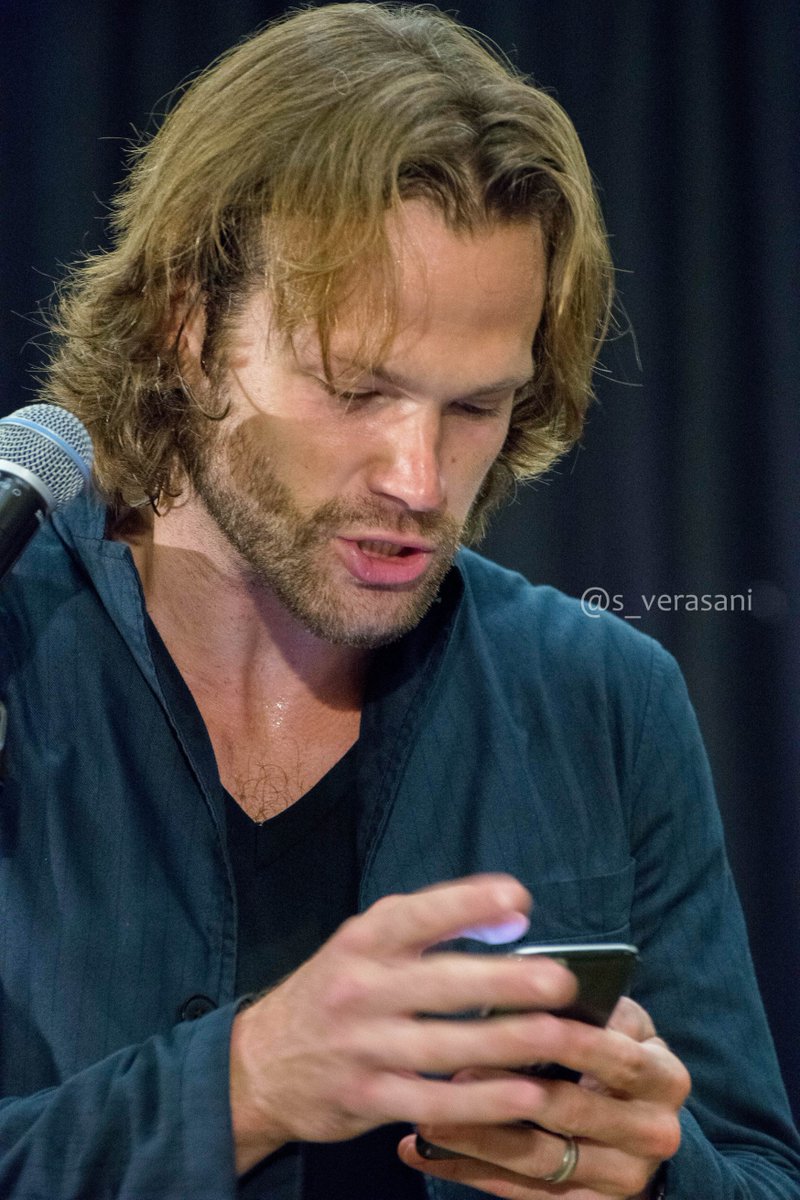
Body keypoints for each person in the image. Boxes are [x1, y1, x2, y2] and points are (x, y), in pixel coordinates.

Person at [0, 4, 798, 1198]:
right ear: (186, 331)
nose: (418, 483)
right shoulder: (17, 643)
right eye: (355, 389)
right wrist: (241, 1087)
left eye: (474, 407)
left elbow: (754, 1174)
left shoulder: (605, 698)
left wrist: (644, 1175)